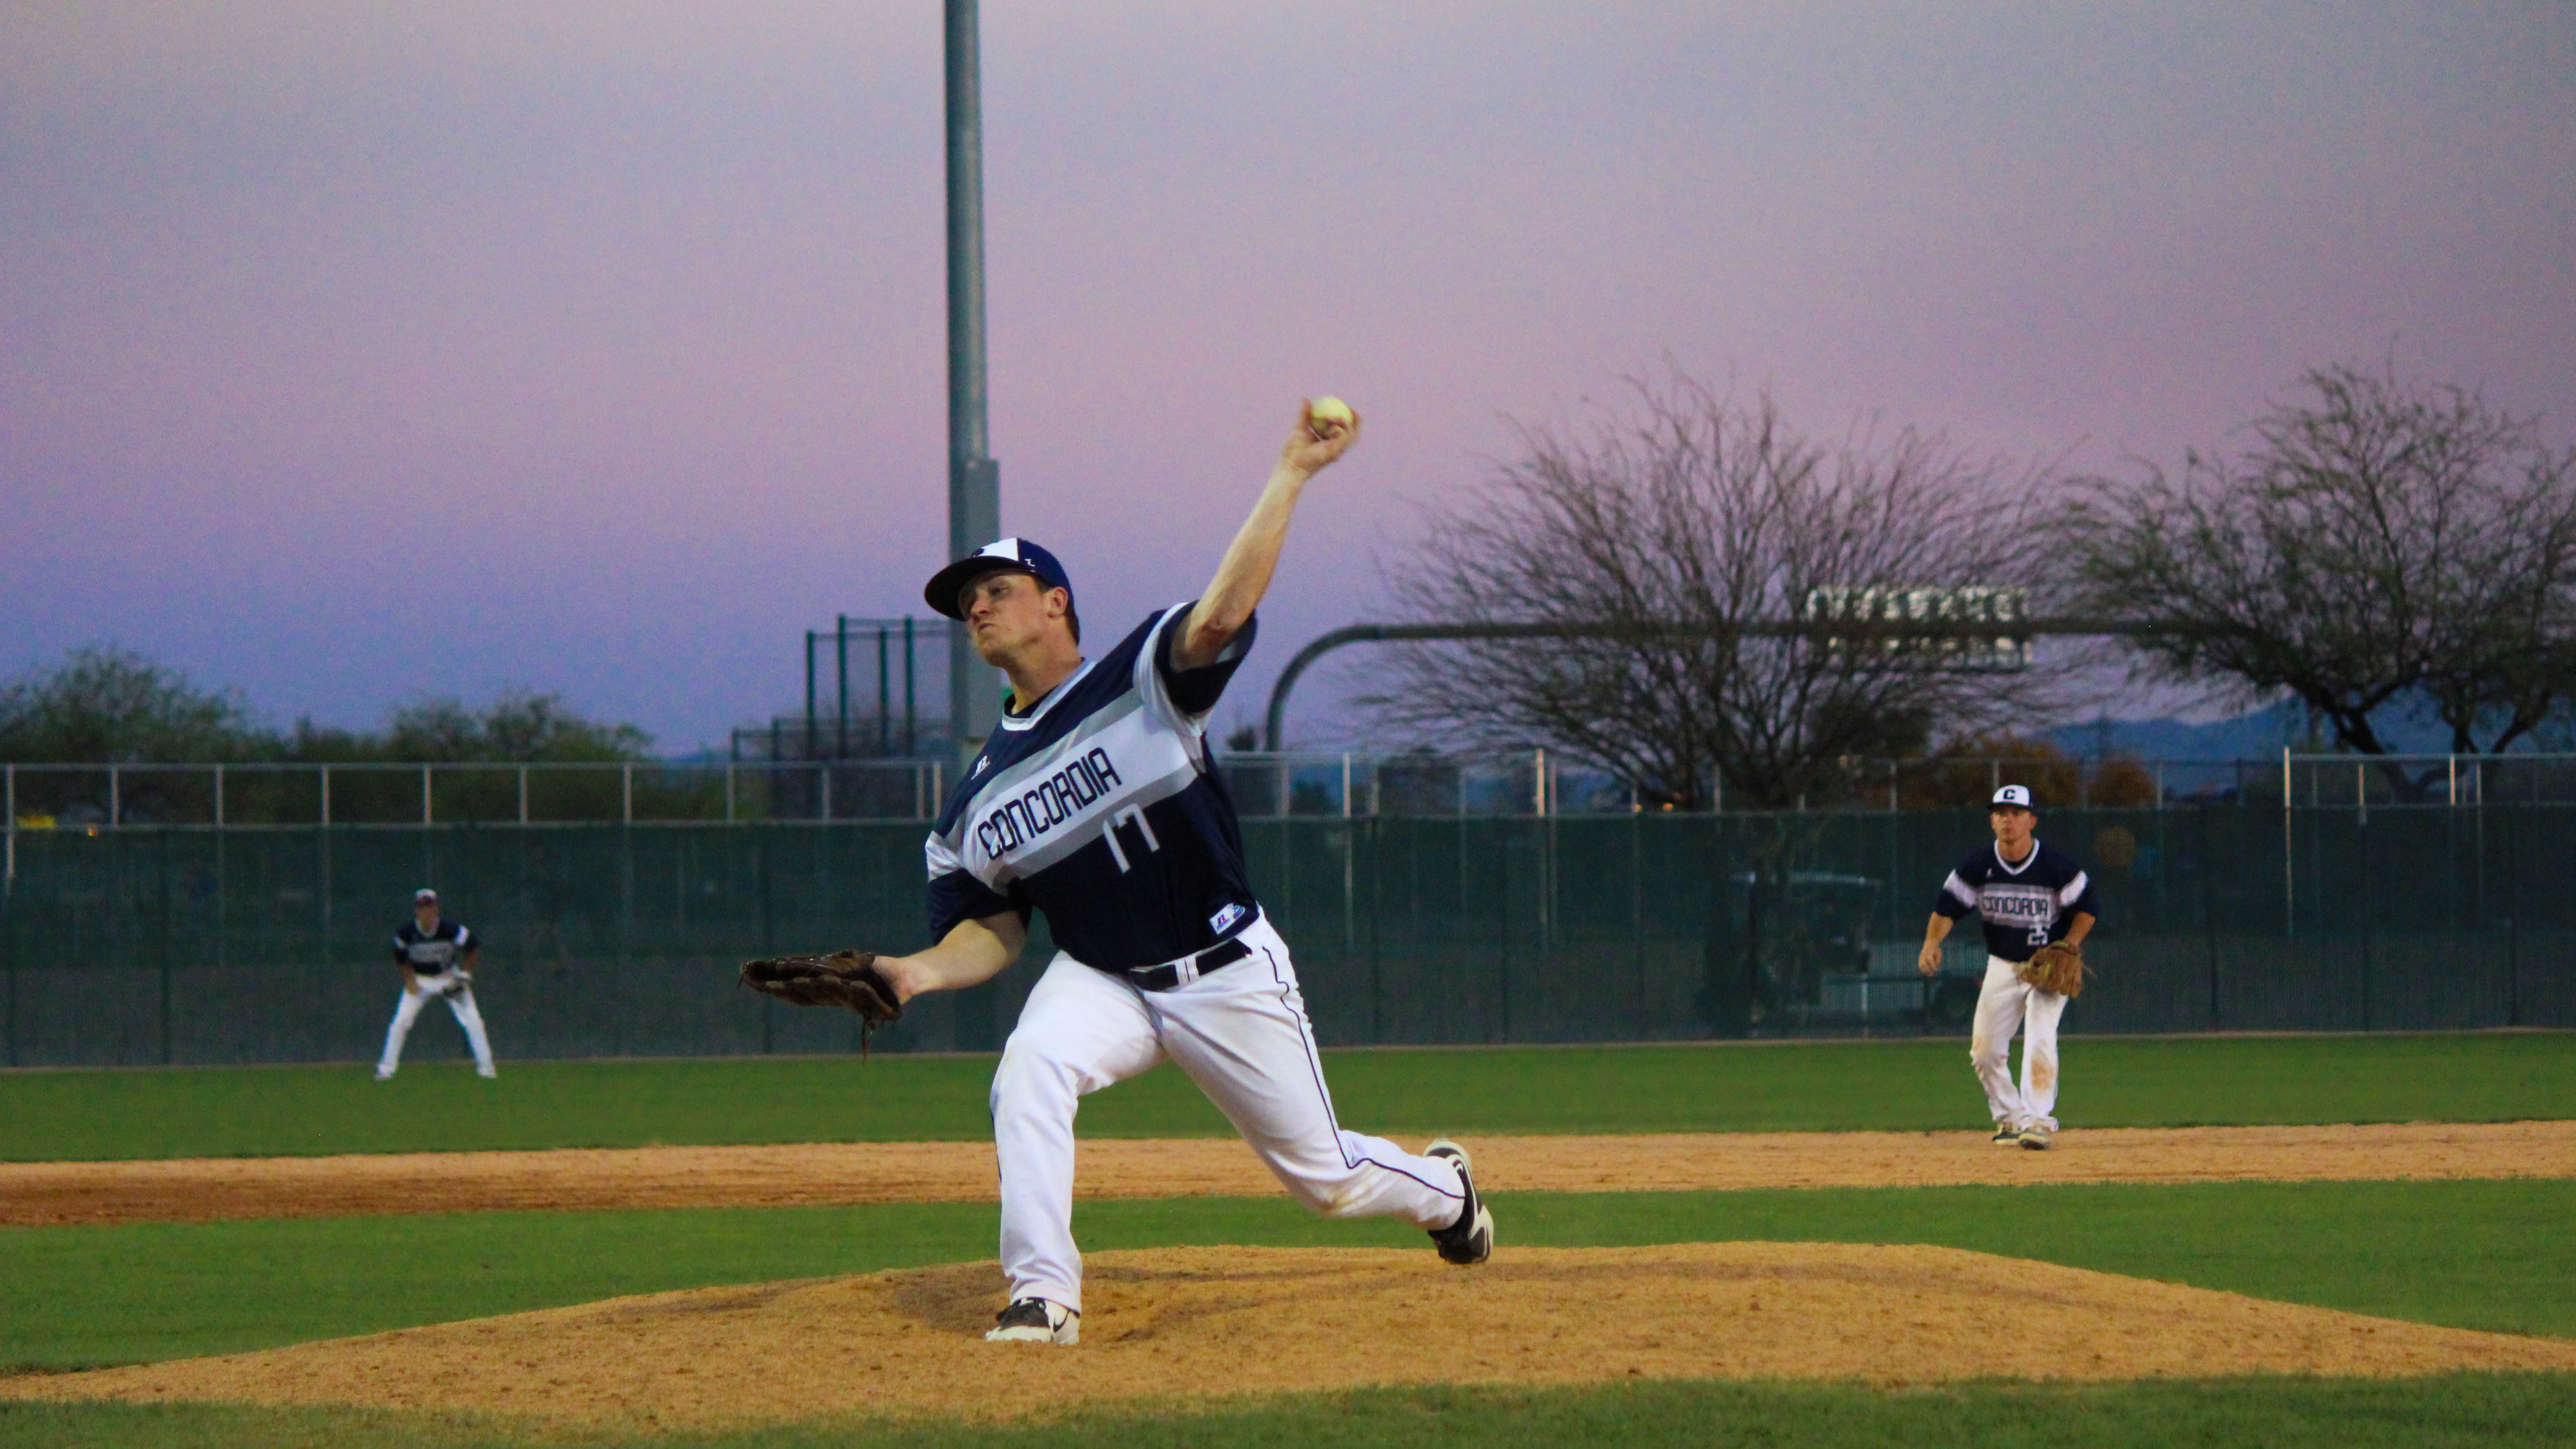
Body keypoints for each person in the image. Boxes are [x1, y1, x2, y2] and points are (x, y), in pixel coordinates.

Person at [874, 402, 1491, 1347]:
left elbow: (1222, 613)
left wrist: (1290, 472)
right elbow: (992, 928)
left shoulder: (1138, 678)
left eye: (994, 588)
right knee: (1029, 1067)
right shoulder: (972, 802)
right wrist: (916, 971)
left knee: (1324, 1181)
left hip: (1223, 965)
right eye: (967, 604)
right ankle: (1042, 1293)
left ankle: (1445, 1192)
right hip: (1103, 974)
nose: (975, 609)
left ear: (1055, 602)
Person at [1915, 785, 2097, 1149]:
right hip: (2003, 965)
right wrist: (1932, 942)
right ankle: (2012, 1119)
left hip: (2045, 967)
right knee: (1984, 1052)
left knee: (2041, 1037)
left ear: (2032, 820)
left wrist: (2072, 943)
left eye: (2016, 813)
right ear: (1992, 821)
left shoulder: (2055, 866)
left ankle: (2039, 1121)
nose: (2008, 819)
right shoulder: (1978, 864)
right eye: (2001, 813)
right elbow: (1948, 907)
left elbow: (2089, 906)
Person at [377, 887, 497, 1080]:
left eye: (431, 907)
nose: (427, 911)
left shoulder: (450, 929)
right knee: (400, 1022)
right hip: (420, 979)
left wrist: (465, 974)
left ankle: (487, 1069)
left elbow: (473, 947)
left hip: (448, 977)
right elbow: (400, 956)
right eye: (423, 907)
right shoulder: (406, 933)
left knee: (473, 1021)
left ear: (437, 909)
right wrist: (409, 980)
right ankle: (385, 1070)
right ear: (416, 910)